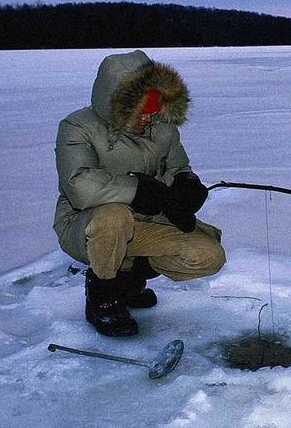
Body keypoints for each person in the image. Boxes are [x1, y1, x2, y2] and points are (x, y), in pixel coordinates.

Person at [54, 50, 226, 337]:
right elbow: (79, 185)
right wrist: (138, 189)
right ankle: (103, 296)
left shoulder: (163, 127)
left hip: (146, 222)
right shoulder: (77, 128)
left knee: (209, 255)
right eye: (141, 110)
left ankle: (130, 275)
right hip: (85, 225)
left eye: (153, 109)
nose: (148, 118)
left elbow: (178, 166)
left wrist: (187, 184)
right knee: (113, 217)